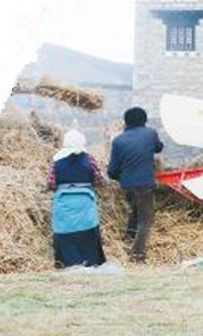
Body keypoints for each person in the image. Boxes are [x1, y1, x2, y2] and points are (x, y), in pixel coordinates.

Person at [108, 107, 164, 263]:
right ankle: (137, 256)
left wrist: (123, 178)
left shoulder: (118, 141)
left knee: (135, 211)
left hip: (127, 185)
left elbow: (111, 171)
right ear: (144, 120)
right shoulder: (150, 133)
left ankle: (128, 239)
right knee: (145, 221)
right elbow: (158, 147)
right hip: (144, 184)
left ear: (125, 122)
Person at [48, 129, 106, 268]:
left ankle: (67, 263)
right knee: (87, 230)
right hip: (85, 203)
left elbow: (51, 184)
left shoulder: (57, 161)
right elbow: (100, 180)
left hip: (64, 204)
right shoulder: (89, 159)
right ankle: (91, 262)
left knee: (65, 231)